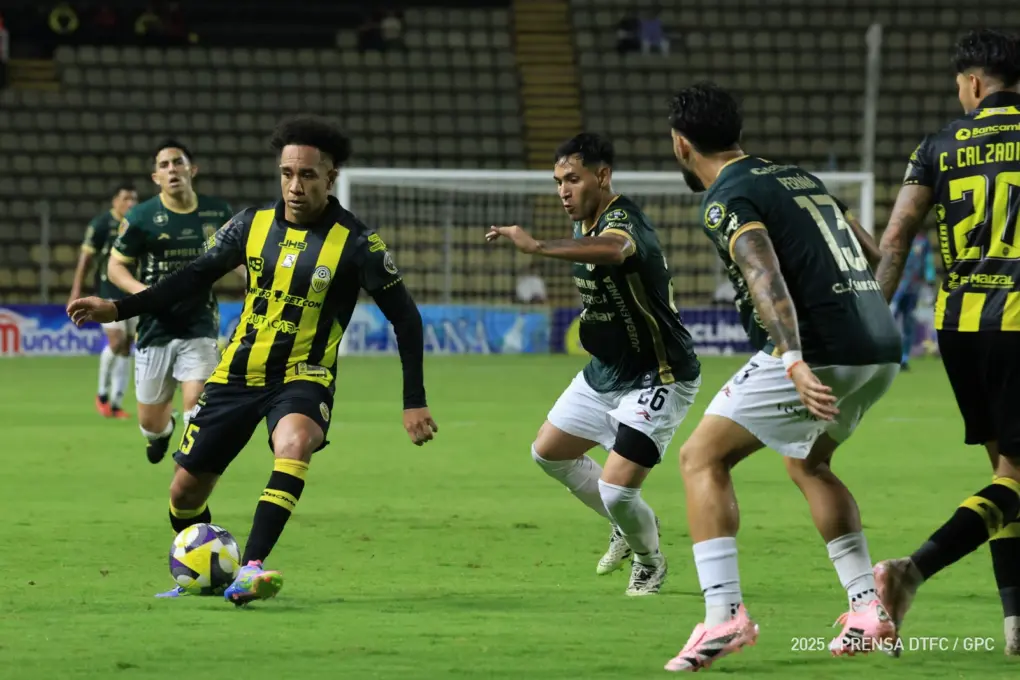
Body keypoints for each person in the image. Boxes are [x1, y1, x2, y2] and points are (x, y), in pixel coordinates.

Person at [68, 115, 437, 605]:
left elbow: (406, 319)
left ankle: (252, 567)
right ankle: (206, 571)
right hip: (236, 373)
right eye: (287, 173)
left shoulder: (358, 244)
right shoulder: (249, 225)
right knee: (183, 495)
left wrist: (414, 400)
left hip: (303, 375)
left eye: (308, 175)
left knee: (295, 442)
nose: (295, 186)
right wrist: (118, 308)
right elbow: (192, 276)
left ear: (331, 178)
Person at [662, 82, 902, 671]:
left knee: (700, 458)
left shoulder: (726, 197)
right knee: (808, 464)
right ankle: (867, 610)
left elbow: (762, 271)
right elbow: (874, 254)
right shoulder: (799, 178)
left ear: (681, 144)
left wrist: (792, 358)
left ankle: (723, 617)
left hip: (817, 349)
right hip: (879, 346)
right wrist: (859, 318)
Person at [486, 132, 701, 596]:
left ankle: (650, 561)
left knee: (618, 489)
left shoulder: (622, 220)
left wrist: (537, 247)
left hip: (659, 372)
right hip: (608, 371)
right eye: (558, 181)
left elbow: (616, 249)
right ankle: (627, 524)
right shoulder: (585, 224)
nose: (563, 191)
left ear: (602, 176)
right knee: (548, 452)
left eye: (573, 179)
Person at [873, 29, 1020, 656]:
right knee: (1015, 479)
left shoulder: (937, 145)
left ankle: (1015, 623)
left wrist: (870, 321)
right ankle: (912, 570)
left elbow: (896, 239)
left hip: (960, 326)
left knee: (1007, 475)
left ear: (974, 83)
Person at [107, 140, 233, 465]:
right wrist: (147, 295)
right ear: (156, 177)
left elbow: (239, 260)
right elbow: (115, 266)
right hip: (155, 327)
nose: (172, 169)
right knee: (150, 424)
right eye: (164, 165)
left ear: (192, 170)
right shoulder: (141, 216)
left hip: (200, 323)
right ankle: (162, 433)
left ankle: (188, 472)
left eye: (178, 162)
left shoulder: (218, 212)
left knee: (198, 407)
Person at [68, 183, 139, 418]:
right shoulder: (101, 224)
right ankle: (101, 395)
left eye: (134, 199)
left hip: (132, 293)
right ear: (114, 201)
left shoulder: (137, 223)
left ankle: (116, 403)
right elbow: (86, 259)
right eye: (126, 198)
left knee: (126, 346)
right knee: (116, 341)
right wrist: (76, 290)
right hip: (107, 292)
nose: (131, 203)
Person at [890, 233, 935, 369]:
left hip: (913, 288)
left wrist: (930, 279)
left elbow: (928, 261)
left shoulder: (923, 241)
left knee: (909, 322)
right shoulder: (897, 237)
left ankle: (904, 358)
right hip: (896, 288)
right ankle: (888, 357)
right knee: (890, 321)